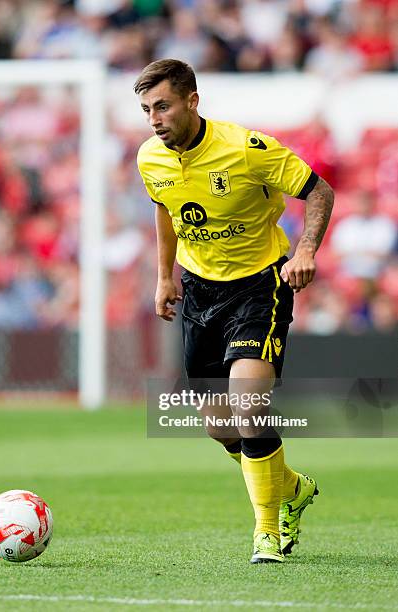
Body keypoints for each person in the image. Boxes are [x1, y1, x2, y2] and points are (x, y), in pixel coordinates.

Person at [134, 59, 334, 564]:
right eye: (146, 110)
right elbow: (166, 207)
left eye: (163, 106)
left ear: (192, 101)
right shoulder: (150, 159)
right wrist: (164, 276)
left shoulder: (245, 148)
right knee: (220, 425)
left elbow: (318, 191)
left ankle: (269, 530)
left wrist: (306, 250)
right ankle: (289, 487)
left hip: (258, 286)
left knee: (248, 405)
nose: (155, 119)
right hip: (200, 291)